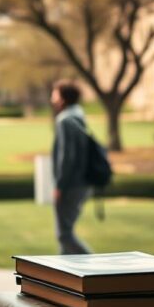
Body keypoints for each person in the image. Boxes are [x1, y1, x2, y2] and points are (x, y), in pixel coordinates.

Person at [51, 80, 93, 255]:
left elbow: (66, 157)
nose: (51, 97)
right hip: (82, 183)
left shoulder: (65, 120)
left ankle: (98, 272)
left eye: (54, 93)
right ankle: (64, 280)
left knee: (64, 235)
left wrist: (60, 186)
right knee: (65, 239)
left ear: (62, 98)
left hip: (71, 185)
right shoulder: (78, 116)